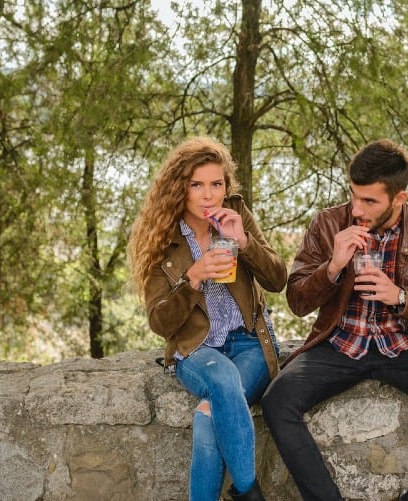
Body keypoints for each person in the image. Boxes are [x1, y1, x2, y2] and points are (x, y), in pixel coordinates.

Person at [261, 139, 408, 501]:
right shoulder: (328, 224)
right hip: (339, 344)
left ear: (399, 198)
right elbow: (297, 301)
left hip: (406, 346)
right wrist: (333, 265)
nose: (357, 208)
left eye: (370, 201)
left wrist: (399, 297)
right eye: (353, 196)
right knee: (277, 401)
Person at [128, 137, 286, 501]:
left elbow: (278, 279)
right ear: (178, 189)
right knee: (222, 378)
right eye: (196, 184)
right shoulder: (162, 240)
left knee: (207, 416)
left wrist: (244, 242)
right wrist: (193, 278)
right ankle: (249, 493)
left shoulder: (236, 215)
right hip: (196, 348)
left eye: (217, 184)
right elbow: (160, 322)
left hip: (250, 342)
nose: (208, 194)